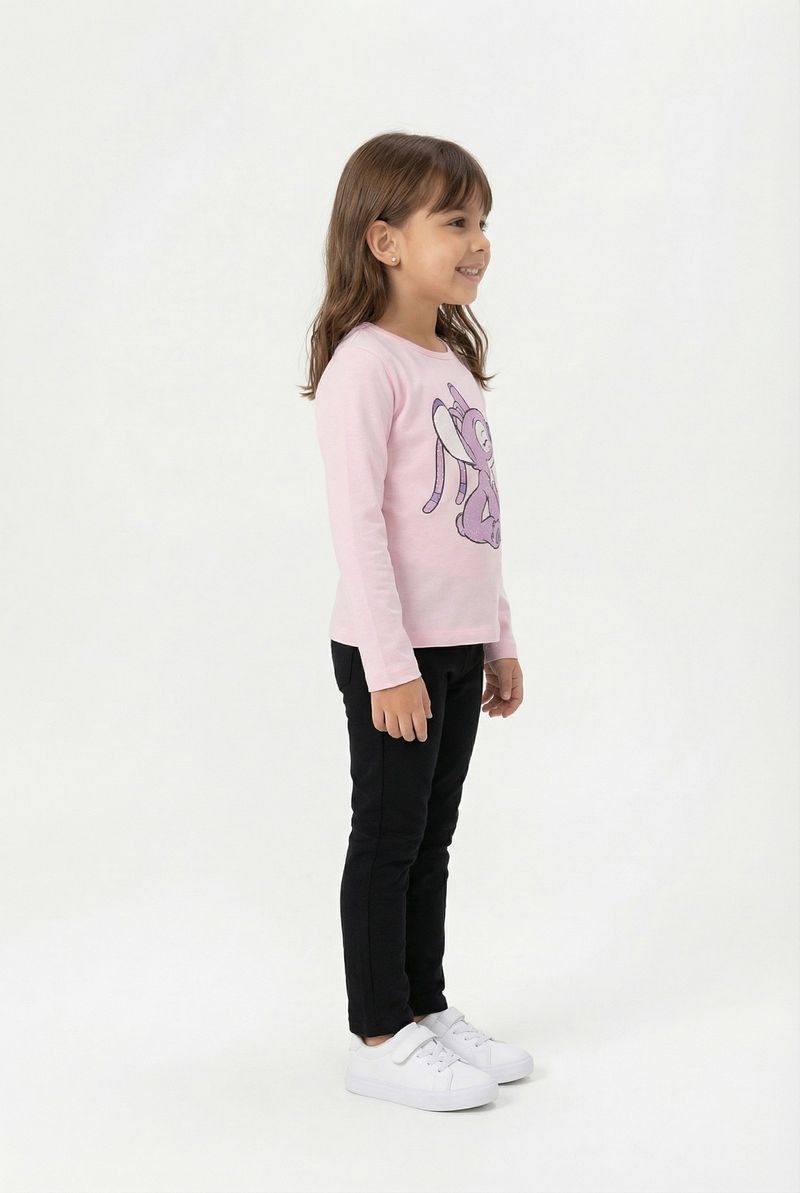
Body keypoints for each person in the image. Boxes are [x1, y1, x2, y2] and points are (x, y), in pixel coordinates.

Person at [302, 132, 534, 1112]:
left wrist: (497, 636)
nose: (479, 241)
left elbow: (476, 520)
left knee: (431, 835)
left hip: (453, 642)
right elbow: (358, 525)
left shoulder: (450, 361)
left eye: (483, 222)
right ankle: (377, 1031)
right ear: (385, 239)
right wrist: (388, 663)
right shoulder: (366, 366)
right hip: (389, 650)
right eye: (456, 221)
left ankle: (424, 1006)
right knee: (389, 833)